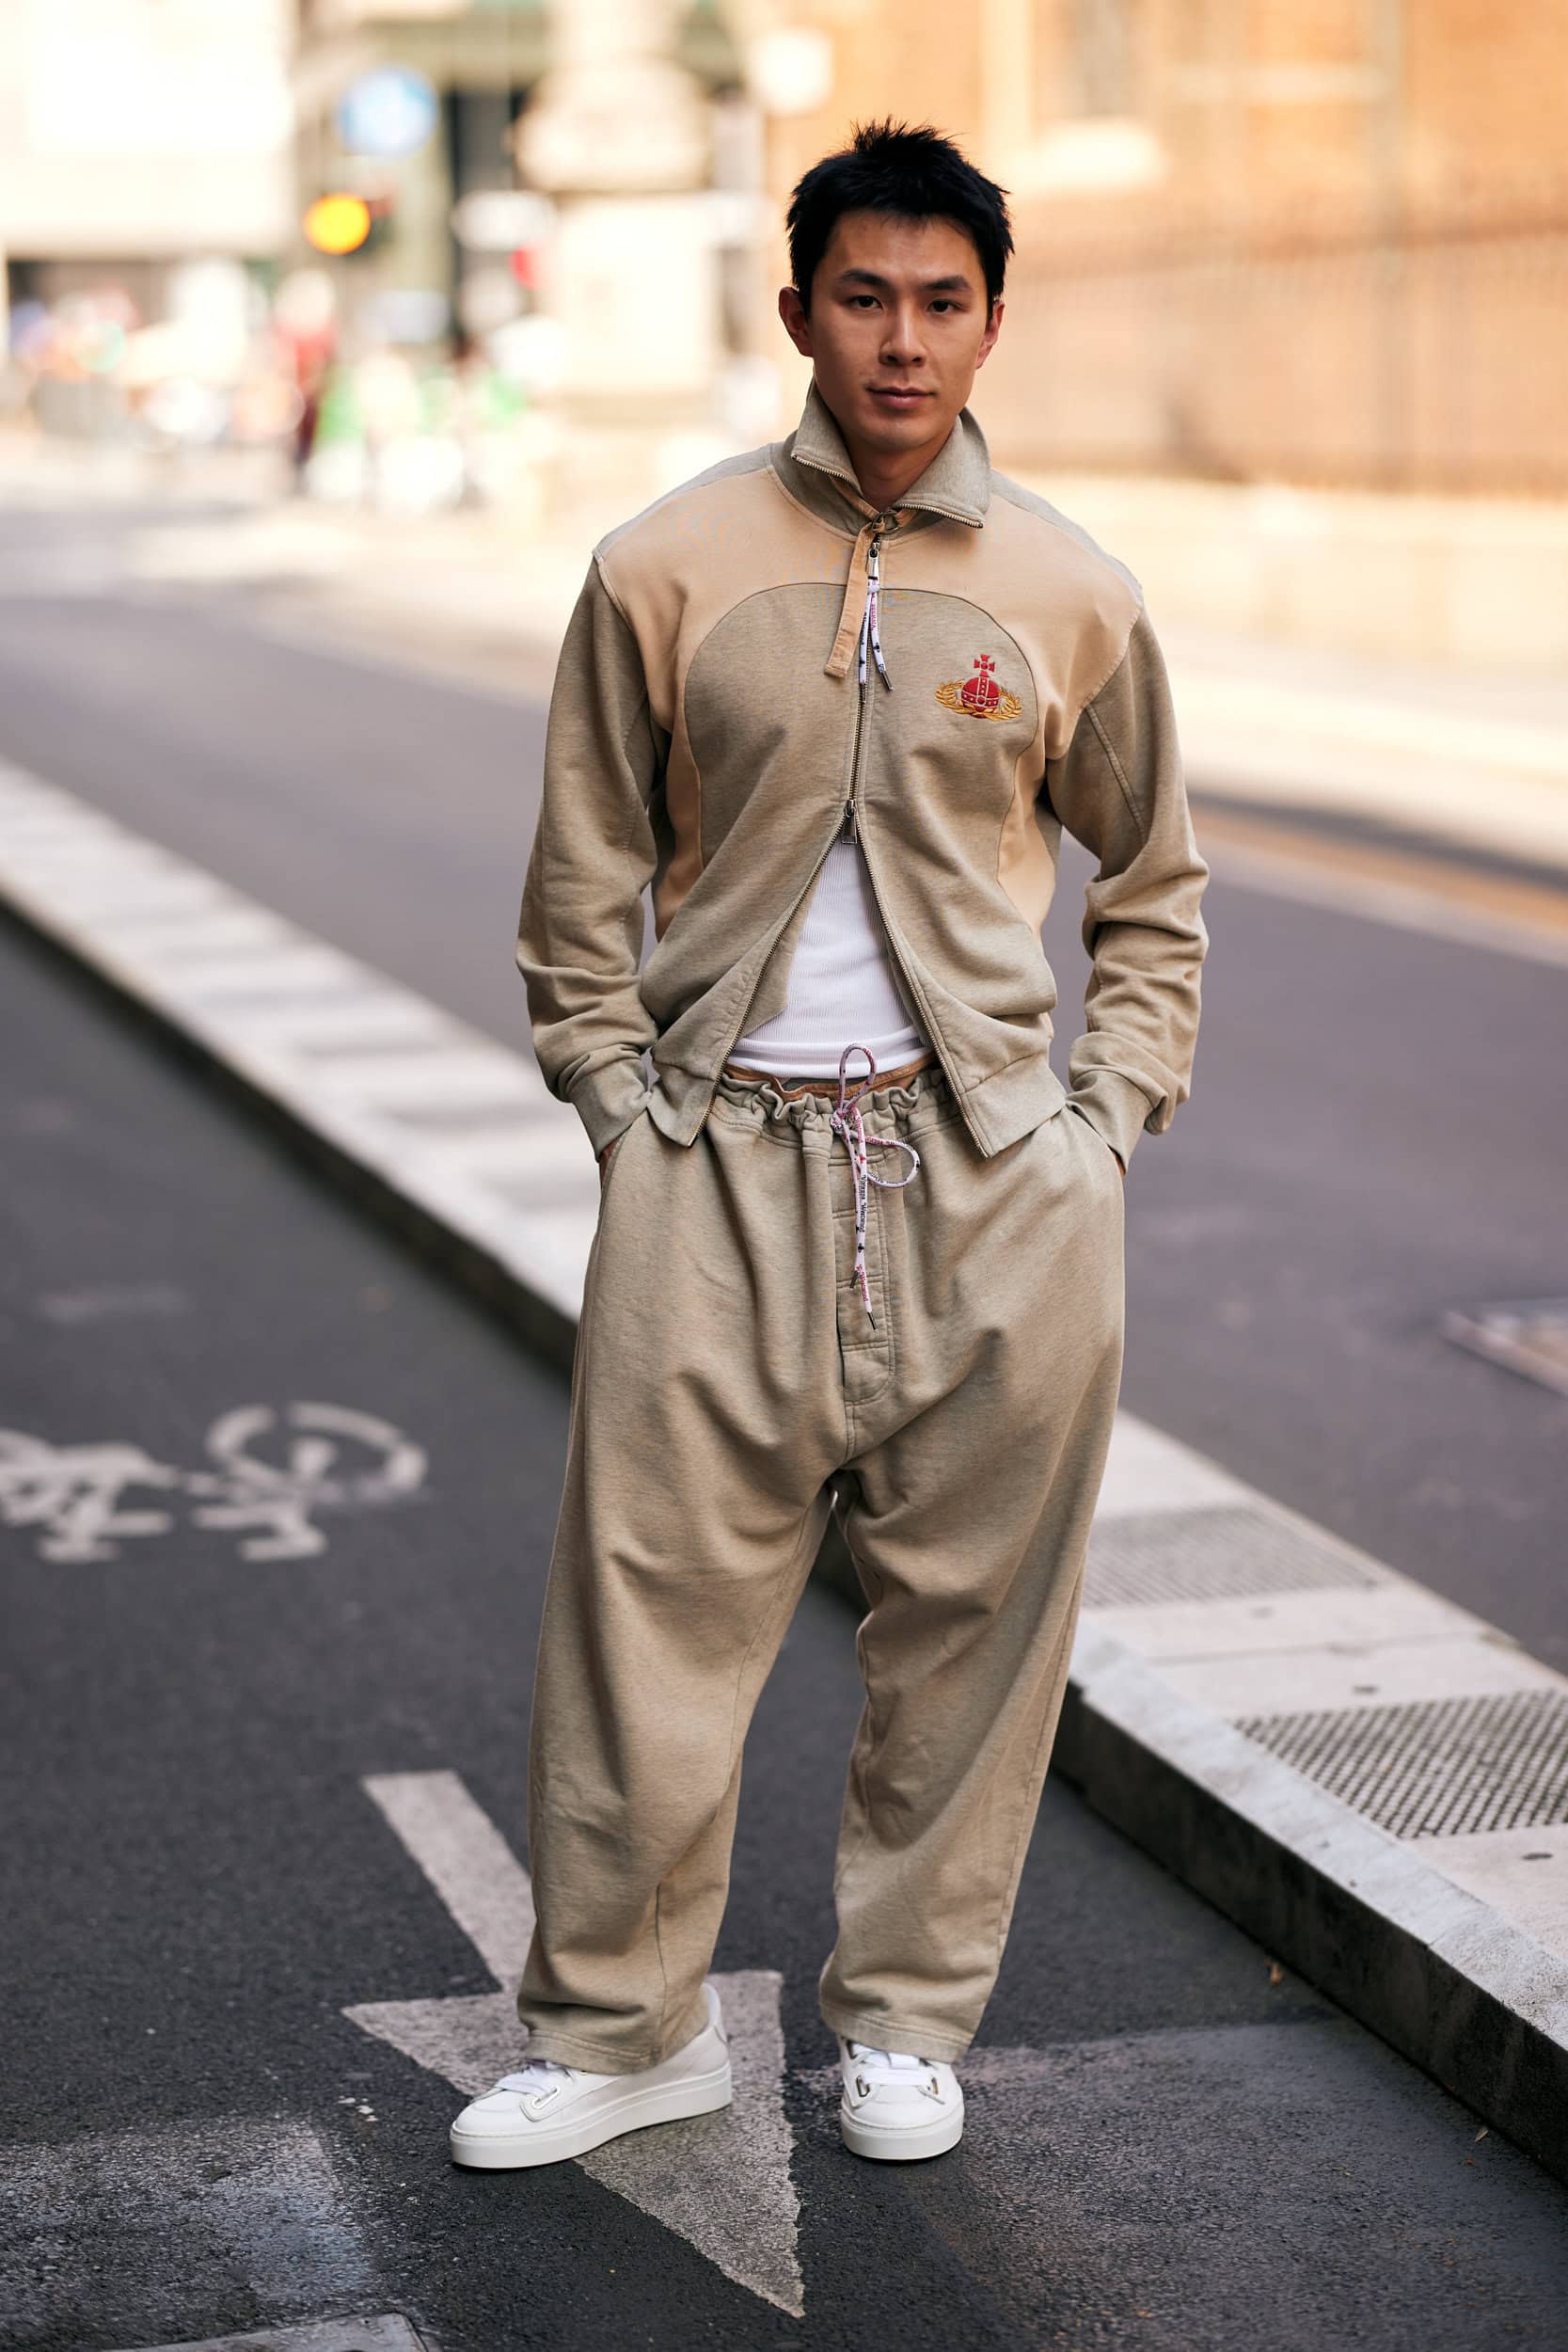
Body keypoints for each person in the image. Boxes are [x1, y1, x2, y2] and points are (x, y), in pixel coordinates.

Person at [450, 119, 1210, 2172]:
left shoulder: (1068, 590)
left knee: (975, 1634)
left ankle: (904, 2021)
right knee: (642, 1627)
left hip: (994, 1185)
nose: (902, 341)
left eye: (943, 303)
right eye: (863, 297)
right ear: (796, 311)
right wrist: (617, 1102)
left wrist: (1103, 1124)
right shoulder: (664, 564)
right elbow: (581, 876)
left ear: (991, 324)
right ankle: (626, 2032)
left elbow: (1154, 887)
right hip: (718, 1166)